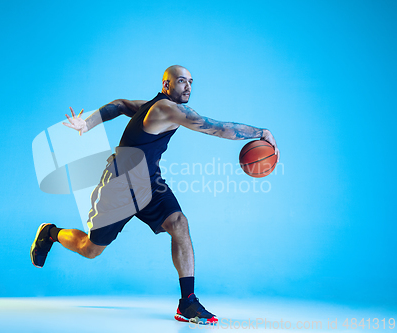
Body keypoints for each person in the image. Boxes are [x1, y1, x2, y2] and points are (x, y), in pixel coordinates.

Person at [30, 65, 279, 325]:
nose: (188, 87)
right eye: (181, 81)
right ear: (166, 85)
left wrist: (88, 123)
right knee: (90, 249)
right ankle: (51, 232)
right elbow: (216, 128)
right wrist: (262, 133)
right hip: (119, 186)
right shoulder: (167, 108)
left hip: (149, 182)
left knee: (179, 223)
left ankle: (188, 303)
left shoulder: (156, 106)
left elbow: (121, 104)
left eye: (191, 82)